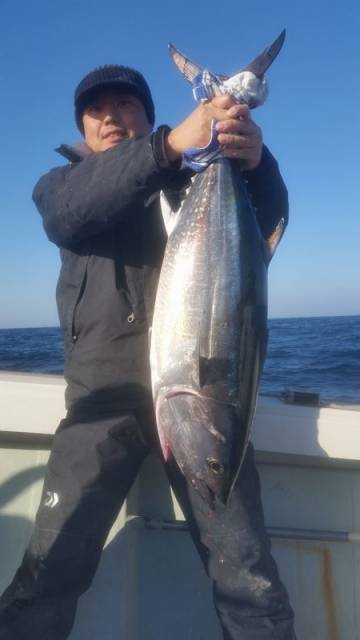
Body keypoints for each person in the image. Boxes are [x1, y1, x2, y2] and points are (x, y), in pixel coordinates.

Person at [0, 64, 296, 639]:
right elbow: (72, 213)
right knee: (48, 575)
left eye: (127, 105)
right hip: (99, 410)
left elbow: (266, 228)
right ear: (83, 127)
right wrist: (171, 146)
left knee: (250, 581)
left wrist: (257, 164)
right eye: (98, 109)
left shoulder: (191, 185)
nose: (112, 115)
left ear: (147, 114)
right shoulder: (61, 185)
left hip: (203, 403)